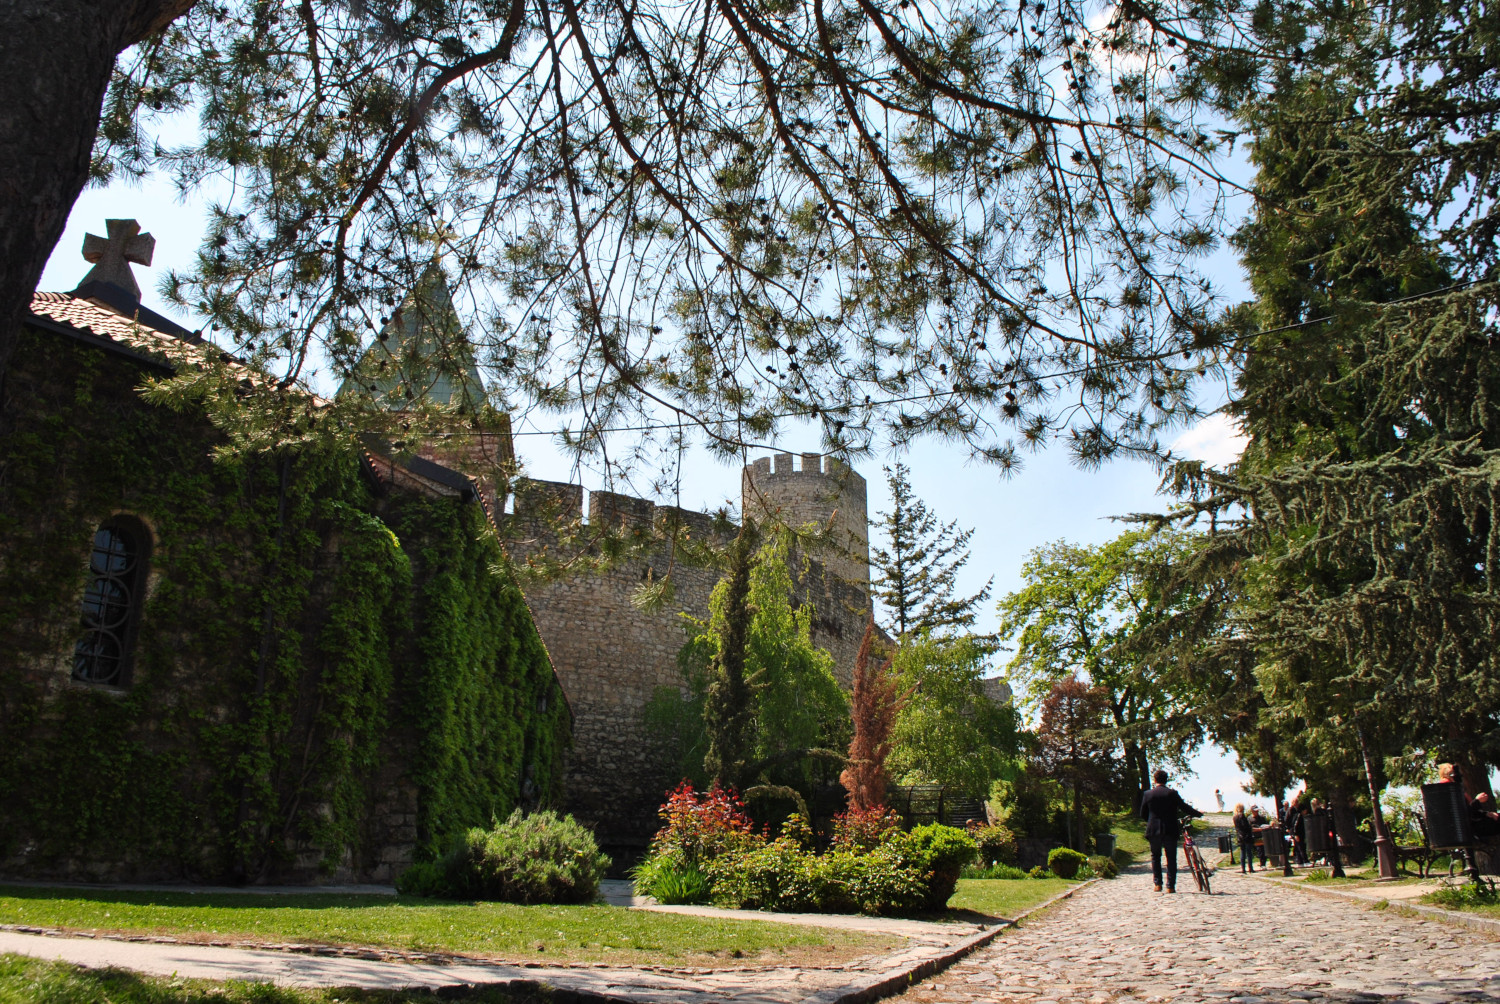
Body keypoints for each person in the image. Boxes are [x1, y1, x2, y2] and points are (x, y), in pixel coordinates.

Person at [1140, 769, 1204, 893]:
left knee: (1155, 857)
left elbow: (1143, 813)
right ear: (1166, 780)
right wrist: (1198, 814)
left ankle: (1158, 884)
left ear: (1155, 780)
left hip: (1154, 830)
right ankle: (1170, 886)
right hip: (1170, 829)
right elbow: (1184, 807)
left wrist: (1151, 821)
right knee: (1171, 858)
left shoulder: (1148, 794)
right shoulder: (1172, 793)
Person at [1233, 803, 1256, 874]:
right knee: (1249, 852)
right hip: (1246, 836)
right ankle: (1250, 868)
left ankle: (1243, 868)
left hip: (1240, 836)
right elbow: (1245, 826)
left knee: (1242, 852)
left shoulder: (1235, 817)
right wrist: (1250, 828)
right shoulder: (1242, 816)